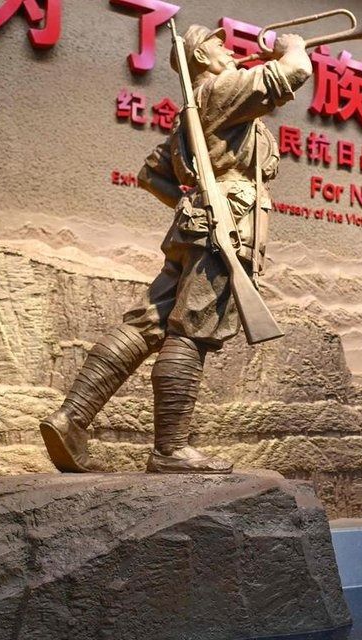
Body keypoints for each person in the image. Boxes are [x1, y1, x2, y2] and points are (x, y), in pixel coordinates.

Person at [38, 24, 312, 474]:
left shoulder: (196, 107)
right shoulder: (220, 92)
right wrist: (293, 45)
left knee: (151, 322)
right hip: (224, 234)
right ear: (201, 57)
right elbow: (294, 69)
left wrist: (193, 200)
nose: (231, 51)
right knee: (192, 334)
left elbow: (151, 173)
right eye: (221, 45)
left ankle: (72, 418)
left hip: (196, 229)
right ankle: (169, 450)